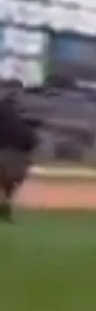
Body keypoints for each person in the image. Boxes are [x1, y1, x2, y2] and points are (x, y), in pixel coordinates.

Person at [0, 89, 38, 223]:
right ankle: (5, 207)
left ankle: (5, 206)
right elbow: (32, 141)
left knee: (6, 184)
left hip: (9, 152)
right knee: (9, 184)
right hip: (19, 154)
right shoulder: (19, 118)